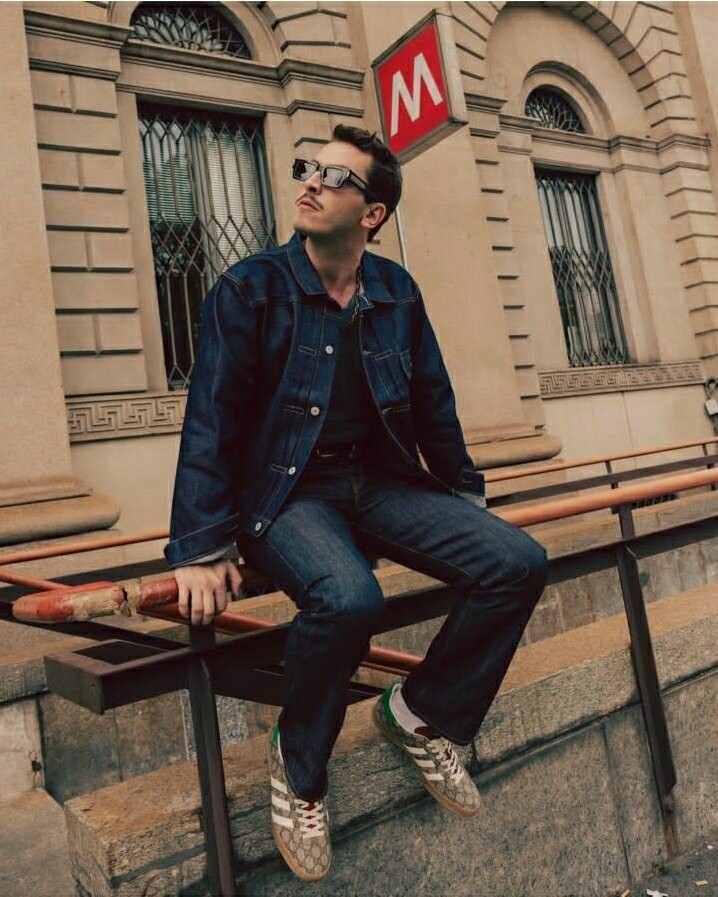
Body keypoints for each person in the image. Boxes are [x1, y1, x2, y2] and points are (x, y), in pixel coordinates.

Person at [165, 124, 548, 882]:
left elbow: (433, 399)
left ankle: (420, 713)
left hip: (381, 482)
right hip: (286, 490)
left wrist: (462, 494)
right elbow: (211, 416)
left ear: (372, 214)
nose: (310, 182)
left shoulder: (396, 289)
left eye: (336, 176)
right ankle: (301, 766)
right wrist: (202, 545)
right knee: (347, 599)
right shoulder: (250, 288)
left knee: (517, 561)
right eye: (308, 169)